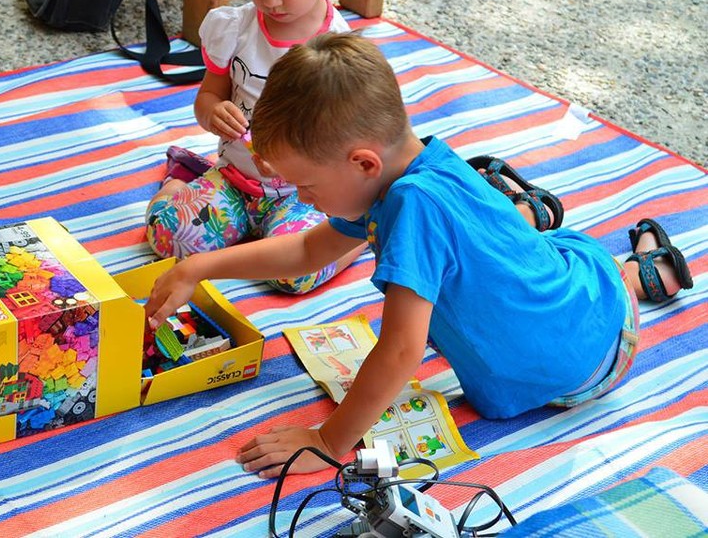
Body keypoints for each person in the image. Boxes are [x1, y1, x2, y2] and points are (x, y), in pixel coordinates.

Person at [144, 33, 694, 479]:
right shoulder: (405, 168)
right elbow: (311, 248)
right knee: (508, 245)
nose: (303, 201)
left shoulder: (411, 207)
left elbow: (403, 348)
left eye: (306, 187)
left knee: (564, 264)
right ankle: (536, 219)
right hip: (574, 317)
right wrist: (199, 266)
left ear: (363, 163)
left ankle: (632, 270)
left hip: (589, 359)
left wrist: (329, 442)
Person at [145, 0, 366, 294]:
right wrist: (213, 112)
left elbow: (344, 146)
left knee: (295, 274)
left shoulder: (337, 50)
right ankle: (178, 182)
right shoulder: (236, 28)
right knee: (166, 236)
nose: (271, 0)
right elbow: (208, 97)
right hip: (234, 180)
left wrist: (293, 162)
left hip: (300, 195)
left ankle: (357, 237)